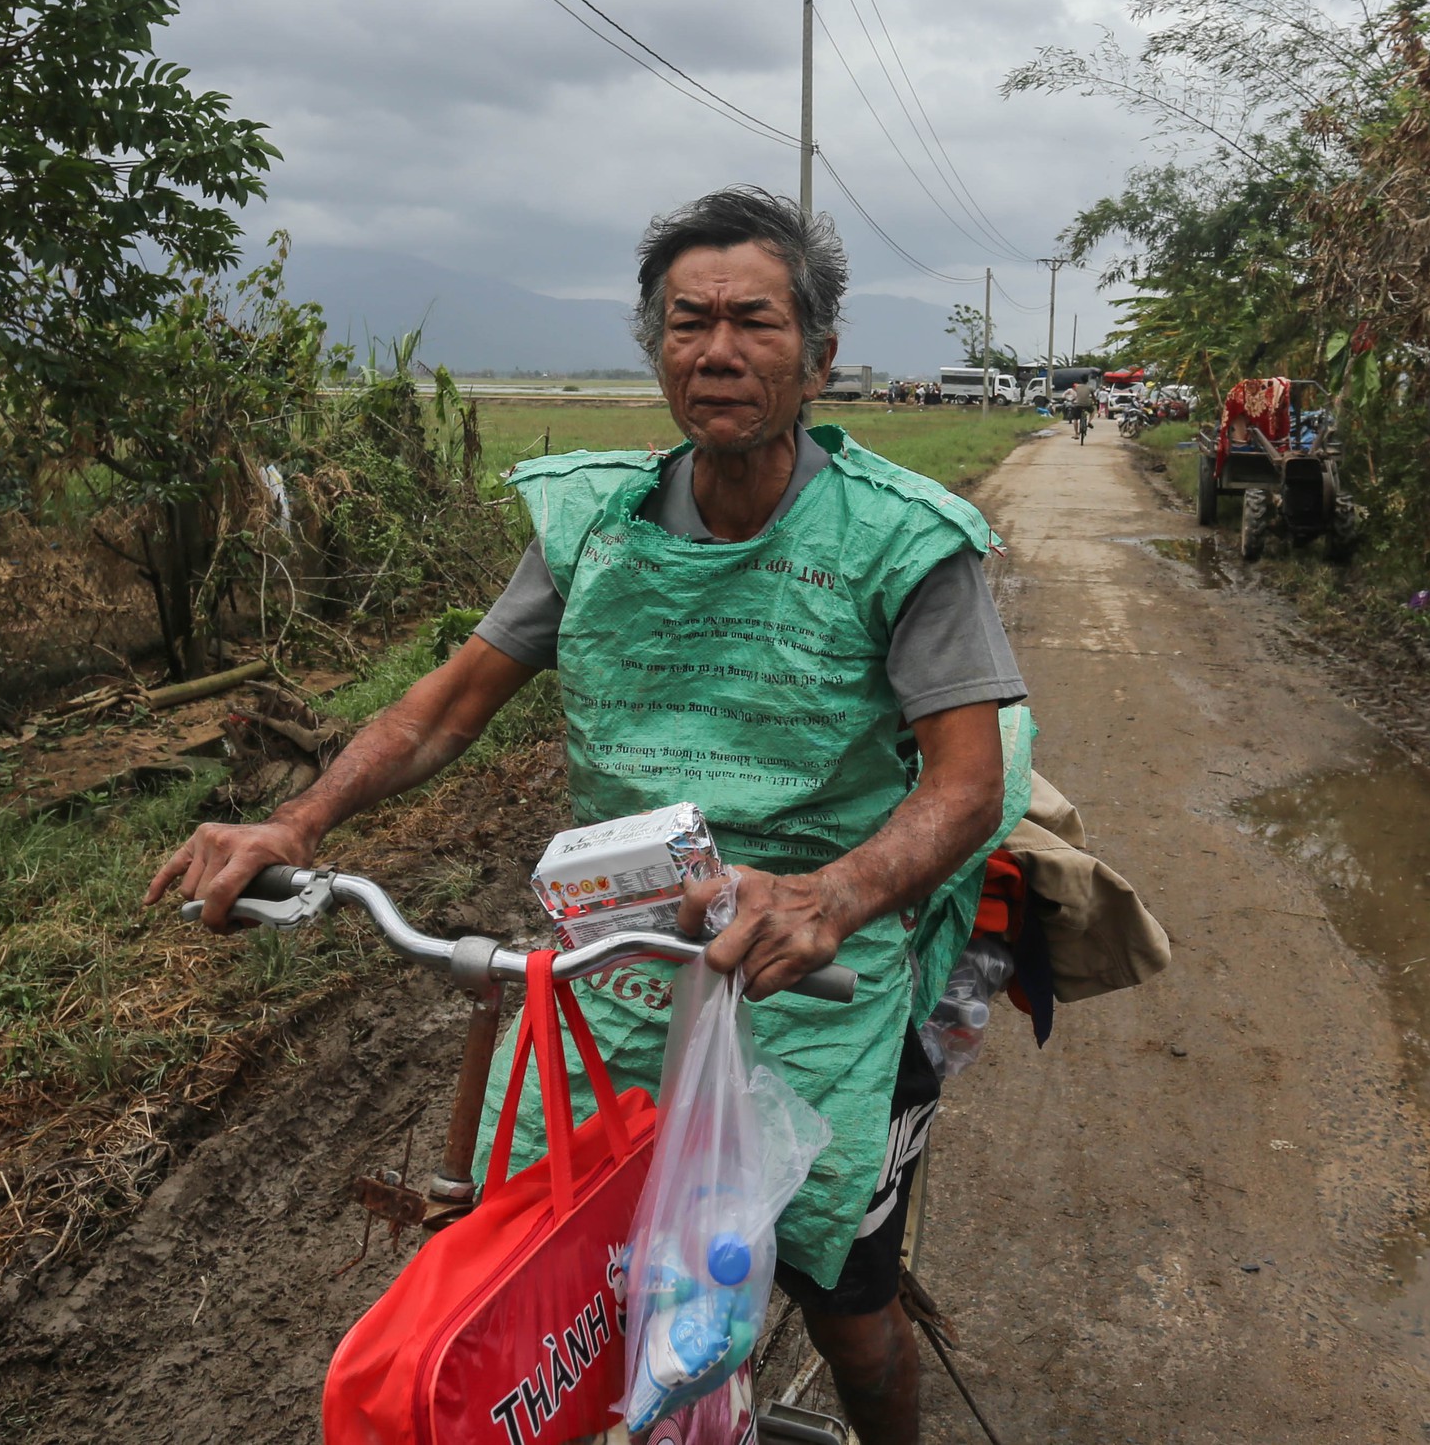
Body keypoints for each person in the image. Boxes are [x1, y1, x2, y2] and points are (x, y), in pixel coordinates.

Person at [149, 186, 1030, 1445]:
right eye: (687, 322)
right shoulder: (592, 524)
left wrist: (830, 896)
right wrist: (300, 822)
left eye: (754, 322)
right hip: (612, 966)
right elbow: (444, 710)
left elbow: (964, 785)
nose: (716, 350)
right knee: (530, 1260)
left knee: (843, 1303)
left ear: (819, 356)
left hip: (809, 973)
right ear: (655, 348)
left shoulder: (902, 540)